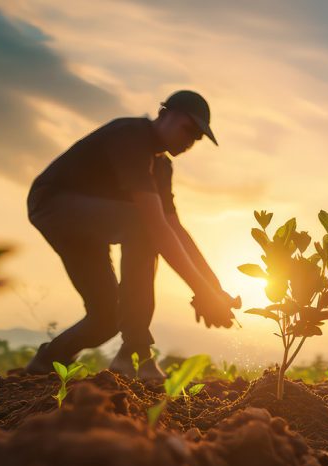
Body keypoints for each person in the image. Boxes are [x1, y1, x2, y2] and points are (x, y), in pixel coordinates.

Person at [24, 90, 240, 379]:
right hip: (54, 205)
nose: (190, 142)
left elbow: (177, 230)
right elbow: (157, 229)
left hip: (90, 226)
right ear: (164, 114)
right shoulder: (131, 136)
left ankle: (44, 364)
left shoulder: (161, 167)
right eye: (188, 130)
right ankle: (135, 353)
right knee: (143, 226)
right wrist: (202, 292)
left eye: (197, 138)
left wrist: (213, 289)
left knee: (106, 318)